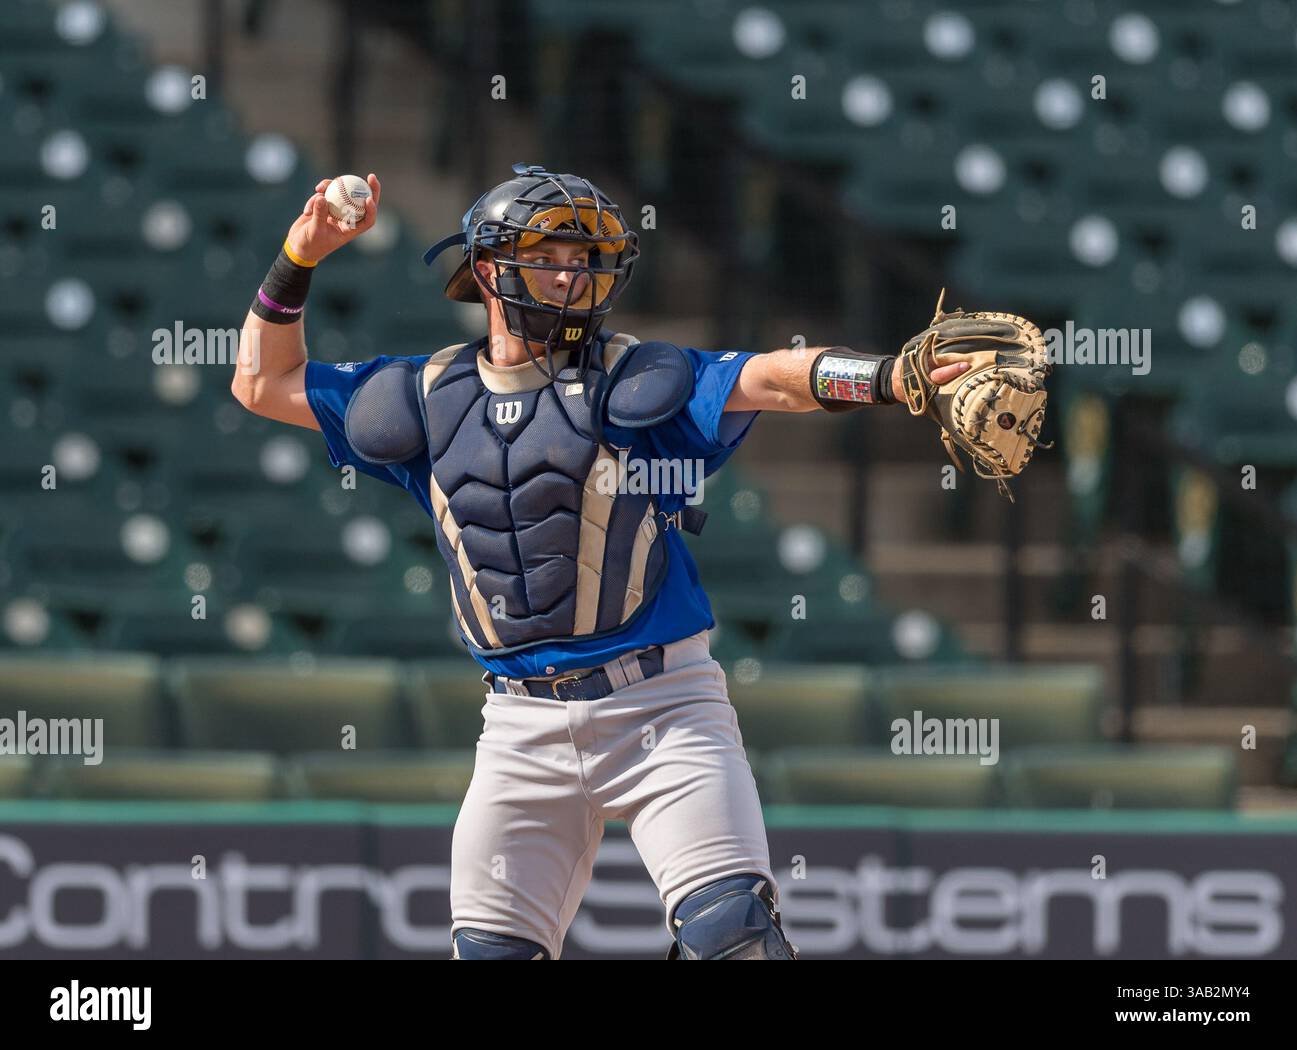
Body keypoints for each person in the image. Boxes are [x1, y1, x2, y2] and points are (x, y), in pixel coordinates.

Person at [231, 163, 969, 959]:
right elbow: (262, 382)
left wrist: (890, 377)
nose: (574, 274)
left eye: (586, 258)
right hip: (518, 724)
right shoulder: (422, 398)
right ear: (488, 270)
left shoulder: (635, 378)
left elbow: (771, 379)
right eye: (553, 254)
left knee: (734, 940)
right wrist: (299, 256)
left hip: (663, 706)